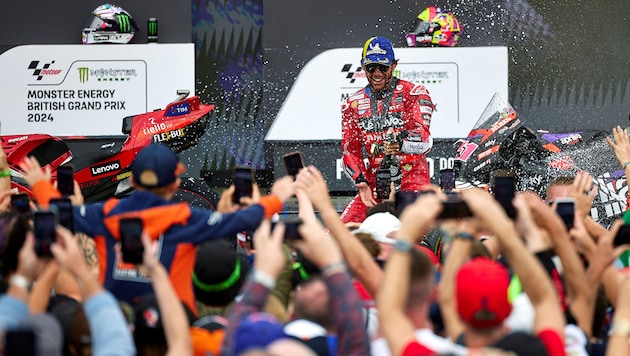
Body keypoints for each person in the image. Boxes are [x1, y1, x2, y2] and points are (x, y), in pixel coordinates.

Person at [19, 143, 294, 315]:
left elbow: (62, 209)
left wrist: (39, 184)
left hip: (117, 320)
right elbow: (238, 221)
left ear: (134, 182)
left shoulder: (106, 212)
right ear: (176, 184)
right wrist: (277, 197)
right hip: (173, 323)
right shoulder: (184, 217)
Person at [341, 36, 434, 223]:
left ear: (393, 65)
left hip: (412, 183)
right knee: (334, 234)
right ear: (363, 67)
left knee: (414, 235)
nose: (377, 73)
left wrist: (400, 143)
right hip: (375, 186)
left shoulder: (414, 93)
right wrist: (361, 182)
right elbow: (350, 151)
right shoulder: (352, 103)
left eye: (383, 67)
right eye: (371, 67)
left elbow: (425, 141)